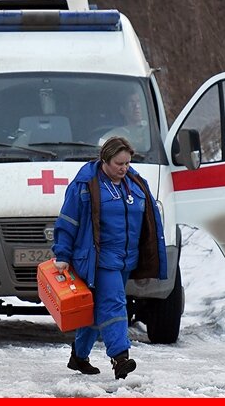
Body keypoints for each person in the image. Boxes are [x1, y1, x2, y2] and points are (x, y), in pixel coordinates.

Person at [52, 136, 167, 379]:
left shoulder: (134, 183)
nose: (124, 168)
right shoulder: (86, 184)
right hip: (100, 259)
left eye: (127, 163)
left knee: (96, 310)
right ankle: (120, 357)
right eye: (119, 164)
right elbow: (68, 220)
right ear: (105, 160)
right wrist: (62, 253)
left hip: (127, 259)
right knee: (114, 303)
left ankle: (79, 356)